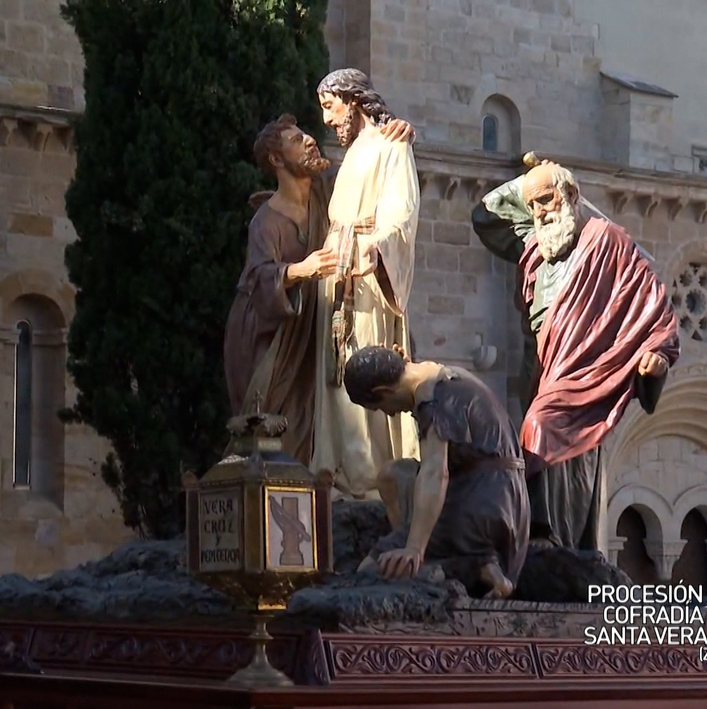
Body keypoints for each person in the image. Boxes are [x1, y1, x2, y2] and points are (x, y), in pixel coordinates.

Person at [472, 158, 679, 551]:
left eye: (546, 200)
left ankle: (541, 532)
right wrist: (526, 181)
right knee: (563, 452)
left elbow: (652, 301)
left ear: (570, 195)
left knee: (540, 427)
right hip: (542, 362)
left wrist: (657, 356)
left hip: (588, 367)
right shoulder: (534, 244)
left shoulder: (607, 241)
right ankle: (570, 543)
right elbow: (484, 215)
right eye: (531, 205)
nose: (539, 212)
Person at [226, 113, 414, 464]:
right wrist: (300, 269)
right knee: (272, 420)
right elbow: (259, 278)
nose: (311, 139)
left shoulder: (327, 192)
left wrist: (396, 131)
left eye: (306, 134)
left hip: (313, 327)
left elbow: (368, 168)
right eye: (297, 140)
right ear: (277, 160)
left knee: (309, 420)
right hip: (271, 335)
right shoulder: (266, 221)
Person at [310, 68, 422, 499]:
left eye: (329, 106)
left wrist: (373, 249)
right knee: (335, 377)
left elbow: (402, 212)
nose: (325, 119)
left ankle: (373, 480)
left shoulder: (392, 146)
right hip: (335, 280)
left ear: (352, 100)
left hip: (368, 280)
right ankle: (337, 472)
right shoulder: (353, 152)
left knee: (365, 369)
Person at [341, 345, 530, 599]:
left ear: (383, 391)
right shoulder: (441, 374)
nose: (390, 413)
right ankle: (483, 566)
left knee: (373, 568)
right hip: (505, 499)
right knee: (391, 475)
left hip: (482, 507)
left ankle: (426, 559)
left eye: (381, 406)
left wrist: (414, 548)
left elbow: (434, 472)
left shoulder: (433, 398)